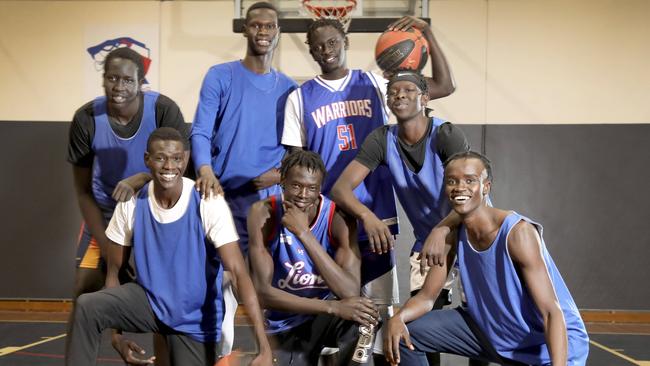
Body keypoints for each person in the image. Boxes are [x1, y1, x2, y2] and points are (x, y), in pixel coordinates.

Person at [282, 17, 455, 362]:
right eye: (317, 45)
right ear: (310, 50)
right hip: (330, 216)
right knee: (335, 305)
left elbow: (443, 85)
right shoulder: (300, 98)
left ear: (345, 41)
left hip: (378, 212)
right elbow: (296, 164)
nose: (325, 51)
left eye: (332, 42)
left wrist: (429, 34)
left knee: (380, 306)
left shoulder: (376, 83)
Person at [65, 128, 272, 366]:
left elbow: (238, 273)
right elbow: (114, 272)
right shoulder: (132, 201)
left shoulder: (208, 202)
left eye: (176, 158)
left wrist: (263, 347)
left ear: (184, 160)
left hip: (194, 318)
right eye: (160, 157)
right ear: (147, 160)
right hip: (149, 302)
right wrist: (117, 336)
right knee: (88, 306)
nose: (168, 166)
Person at [384, 151, 590, 365]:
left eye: (470, 180)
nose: (459, 187)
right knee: (404, 333)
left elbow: (551, 312)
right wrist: (398, 318)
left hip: (545, 345)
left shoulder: (518, 233)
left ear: (486, 187)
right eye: (452, 181)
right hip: (493, 332)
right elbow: (427, 298)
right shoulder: (452, 234)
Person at [67, 47, 189, 298]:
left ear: (141, 82)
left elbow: (179, 171)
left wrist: (143, 178)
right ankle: (114, 338)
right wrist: (106, 245)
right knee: (84, 289)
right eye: (112, 78)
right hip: (106, 214)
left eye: (127, 80)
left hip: (155, 211)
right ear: (103, 79)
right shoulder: (86, 118)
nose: (119, 86)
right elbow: (83, 191)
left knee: (165, 294)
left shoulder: (163, 110)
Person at [247, 150, 379, 365]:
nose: (303, 195)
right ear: (282, 181)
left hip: (325, 321)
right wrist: (331, 307)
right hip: (285, 323)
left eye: (312, 188)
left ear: (320, 188)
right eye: (296, 185)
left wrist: (304, 234)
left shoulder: (338, 217)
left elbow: (350, 291)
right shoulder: (263, 214)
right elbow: (262, 293)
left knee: (365, 320)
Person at [191, 1, 298, 254]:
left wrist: (281, 174)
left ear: (278, 32)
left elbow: (297, 148)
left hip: (268, 197)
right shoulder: (219, 76)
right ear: (244, 29)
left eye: (270, 26)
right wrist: (205, 170)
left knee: (265, 278)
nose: (263, 32)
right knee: (223, 278)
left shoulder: (290, 88)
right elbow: (200, 131)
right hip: (224, 193)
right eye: (256, 26)